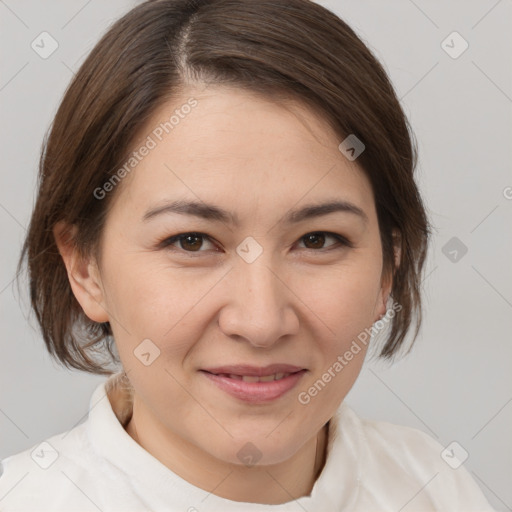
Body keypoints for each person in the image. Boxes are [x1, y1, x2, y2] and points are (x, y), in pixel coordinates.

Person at [0, 0, 496, 510]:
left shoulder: (437, 487)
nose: (261, 323)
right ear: (85, 268)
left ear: (387, 269)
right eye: (191, 241)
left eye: (318, 240)